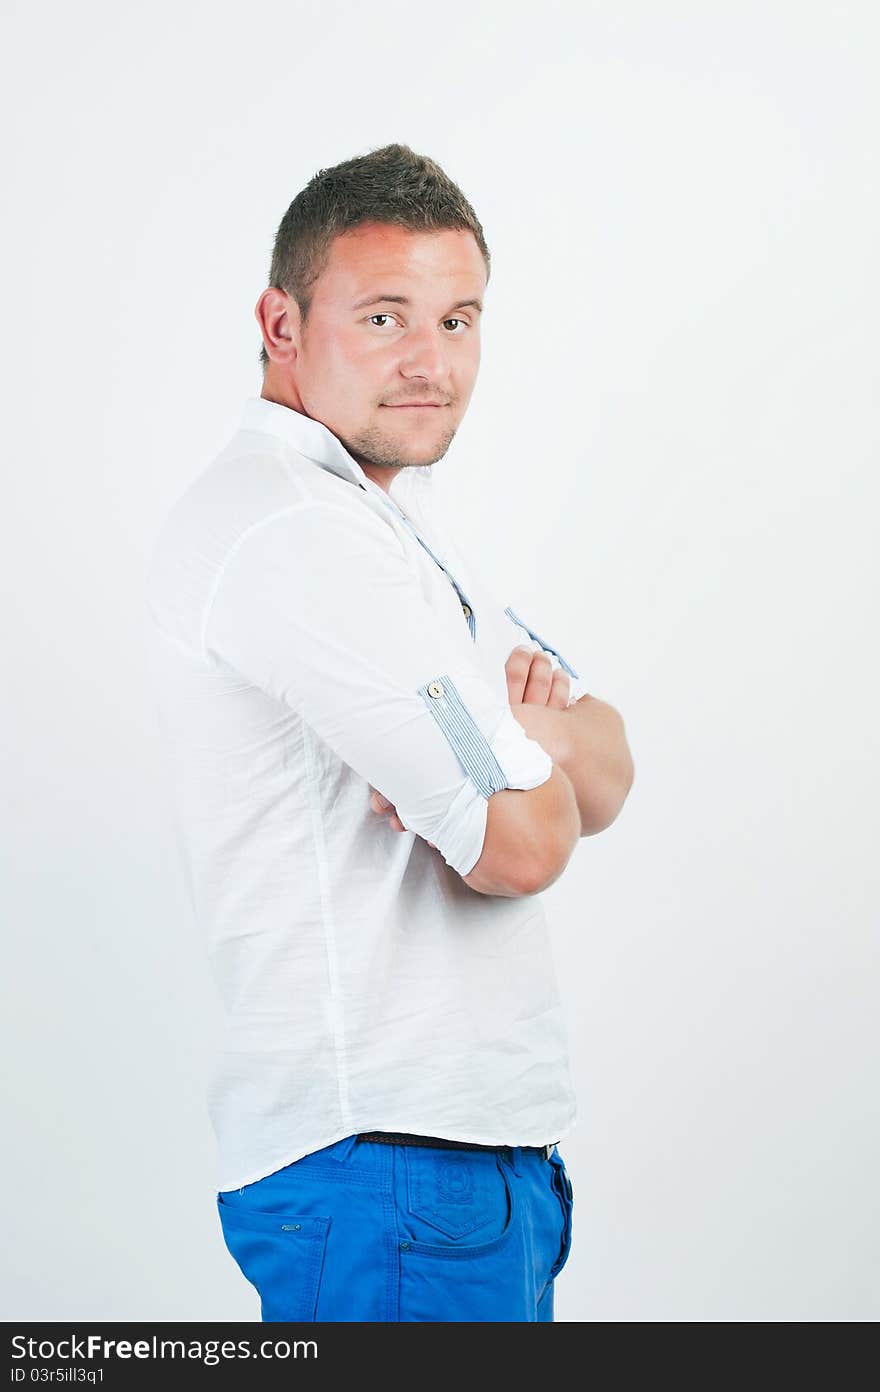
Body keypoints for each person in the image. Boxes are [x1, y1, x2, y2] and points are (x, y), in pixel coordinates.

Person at [144, 141, 634, 1323]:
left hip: (465, 1158)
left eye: (459, 320)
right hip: (388, 1163)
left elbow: (608, 763)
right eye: (382, 316)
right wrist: (517, 754)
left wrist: (508, 751)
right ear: (280, 321)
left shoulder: (393, 524)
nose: (431, 363)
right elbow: (518, 851)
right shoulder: (296, 536)